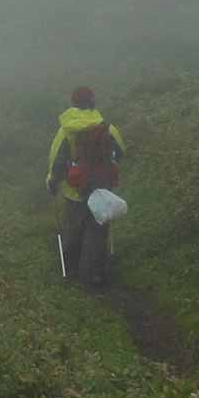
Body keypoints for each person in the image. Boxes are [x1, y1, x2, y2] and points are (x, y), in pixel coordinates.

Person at [46, 85, 126, 286]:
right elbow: (121, 151)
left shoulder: (66, 131)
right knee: (97, 231)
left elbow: (56, 160)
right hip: (101, 190)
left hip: (75, 191)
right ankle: (93, 275)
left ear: (73, 103)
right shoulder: (106, 127)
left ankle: (71, 270)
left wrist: (52, 182)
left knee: (73, 229)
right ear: (92, 102)